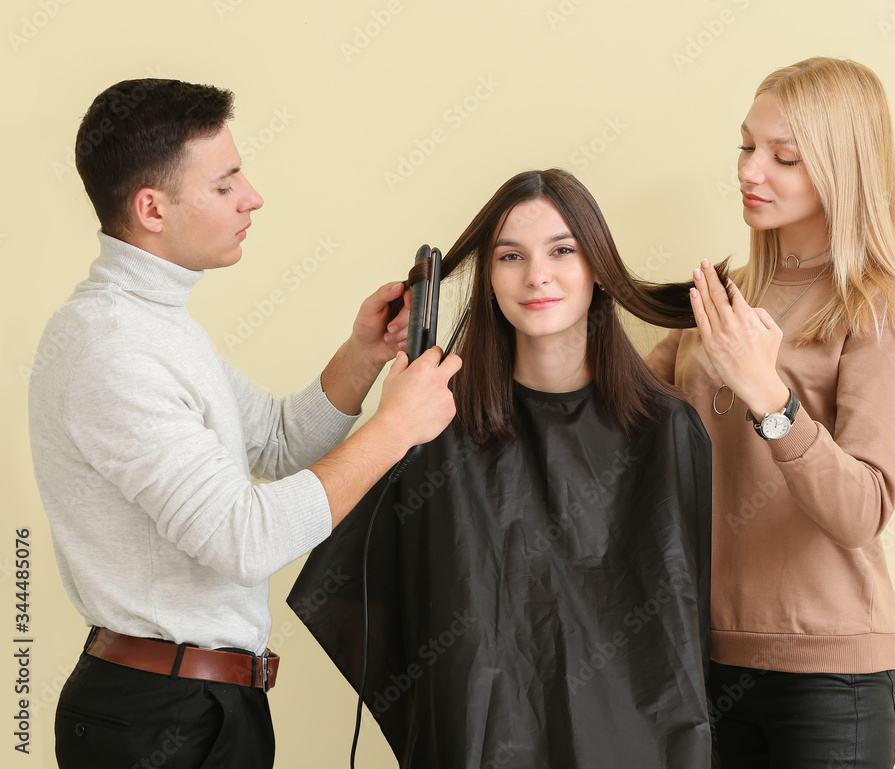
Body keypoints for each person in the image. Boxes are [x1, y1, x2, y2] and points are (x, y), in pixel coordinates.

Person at [27, 78, 461, 769]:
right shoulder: (111, 349)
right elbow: (242, 537)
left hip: (202, 706)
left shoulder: (157, 326)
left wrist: (362, 357)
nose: (252, 196)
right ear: (152, 208)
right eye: (225, 183)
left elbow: (277, 441)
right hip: (155, 716)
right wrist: (395, 428)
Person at [289, 168, 717, 768]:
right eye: (511, 256)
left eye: (562, 251)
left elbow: (686, 628)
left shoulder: (667, 429)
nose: (537, 276)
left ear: (598, 268)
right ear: (488, 279)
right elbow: (359, 588)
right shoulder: (436, 423)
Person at [648, 57, 895, 768]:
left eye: (785, 157)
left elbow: (862, 507)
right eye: (746, 146)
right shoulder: (720, 298)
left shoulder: (874, 309)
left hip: (831, 681)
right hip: (708, 659)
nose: (751, 171)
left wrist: (770, 396)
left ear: (840, 168)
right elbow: (625, 419)